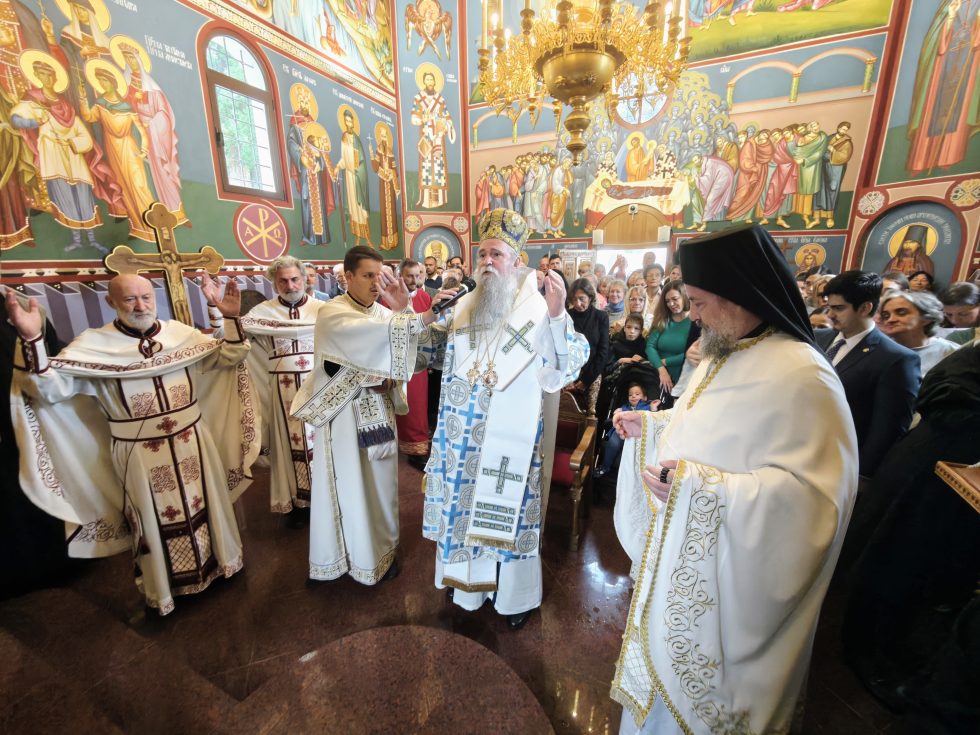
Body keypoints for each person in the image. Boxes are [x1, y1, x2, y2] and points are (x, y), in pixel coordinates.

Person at [611, 224, 858, 735]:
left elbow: (817, 504)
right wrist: (652, 426)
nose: (693, 315)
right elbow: (702, 429)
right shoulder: (724, 350)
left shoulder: (803, 375)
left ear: (739, 295)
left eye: (699, 302)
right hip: (682, 564)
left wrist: (700, 490)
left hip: (729, 601)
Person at [6, 274, 259, 615]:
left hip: (193, 443)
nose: (140, 305)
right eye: (130, 299)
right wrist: (33, 338)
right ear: (112, 303)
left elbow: (230, 357)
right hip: (139, 454)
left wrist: (229, 317)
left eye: (145, 297)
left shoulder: (180, 336)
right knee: (153, 516)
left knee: (207, 502)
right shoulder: (93, 346)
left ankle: (222, 563)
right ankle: (165, 587)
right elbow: (47, 390)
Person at [419, 208, 589, 629]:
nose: (487, 262)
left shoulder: (537, 305)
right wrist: (416, 316)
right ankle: (466, 586)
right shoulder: (464, 302)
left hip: (510, 441)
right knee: (464, 510)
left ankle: (513, 597)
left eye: (496, 254)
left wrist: (557, 314)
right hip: (462, 441)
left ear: (517, 260)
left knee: (508, 518)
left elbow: (568, 366)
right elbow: (429, 354)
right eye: (482, 254)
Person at [291, 246, 445, 584]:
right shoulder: (334, 313)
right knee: (350, 486)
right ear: (348, 277)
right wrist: (419, 315)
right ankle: (348, 559)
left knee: (380, 485)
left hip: (379, 412)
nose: (376, 283)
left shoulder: (382, 313)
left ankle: (382, 553)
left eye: (380, 275)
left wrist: (401, 309)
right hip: (345, 416)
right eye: (367, 276)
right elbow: (375, 340)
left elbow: (404, 350)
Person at [241, 257, 326, 522]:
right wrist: (215, 307)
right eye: (283, 281)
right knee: (289, 449)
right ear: (274, 282)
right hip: (282, 393)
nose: (290, 286)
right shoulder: (262, 313)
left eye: (294, 279)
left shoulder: (323, 309)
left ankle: (326, 502)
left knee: (323, 447)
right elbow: (230, 335)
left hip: (320, 389)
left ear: (304, 278)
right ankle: (299, 504)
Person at [818, 271, 920, 481]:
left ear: (865, 308)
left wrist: (858, 476)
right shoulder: (818, 338)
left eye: (839, 308)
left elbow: (886, 432)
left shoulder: (895, 359)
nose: (830, 314)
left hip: (842, 468)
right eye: (828, 307)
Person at [391, 259, 432, 470]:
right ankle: (406, 446)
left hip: (419, 362)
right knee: (402, 405)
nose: (414, 280)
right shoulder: (387, 298)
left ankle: (418, 448)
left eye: (418, 275)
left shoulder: (425, 297)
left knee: (418, 405)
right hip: (397, 362)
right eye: (409, 276)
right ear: (400, 276)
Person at [644, 280, 700, 406]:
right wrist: (661, 368)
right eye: (667, 301)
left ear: (684, 296)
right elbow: (650, 346)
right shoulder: (664, 320)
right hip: (659, 376)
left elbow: (692, 352)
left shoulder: (695, 322)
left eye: (675, 299)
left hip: (684, 377)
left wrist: (667, 361)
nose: (671, 304)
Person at [879, 290, 958, 376]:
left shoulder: (950, 351)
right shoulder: (877, 351)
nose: (890, 320)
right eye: (886, 316)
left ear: (926, 318)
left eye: (901, 312)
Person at [596, 382, 653, 479]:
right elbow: (617, 416)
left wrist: (654, 408)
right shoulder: (624, 407)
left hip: (638, 434)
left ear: (645, 398)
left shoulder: (648, 407)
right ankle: (605, 467)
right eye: (630, 395)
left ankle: (635, 475)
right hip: (621, 431)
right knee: (612, 444)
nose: (633, 396)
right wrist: (618, 412)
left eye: (637, 394)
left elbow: (651, 418)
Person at [566, 278, 610, 396]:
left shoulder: (601, 317)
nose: (578, 304)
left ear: (590, 298)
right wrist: (569, 379)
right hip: (569, 373)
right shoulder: (567, 316)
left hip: (592, 372)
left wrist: (585, 381)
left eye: (582, 299)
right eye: (574, 299)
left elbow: (603, 351)